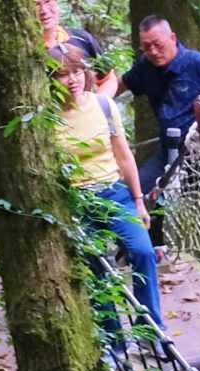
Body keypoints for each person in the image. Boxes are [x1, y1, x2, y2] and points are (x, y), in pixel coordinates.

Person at [51, 45, 166, 345]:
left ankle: (152, 331)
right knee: (97, 268)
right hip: (77, 201)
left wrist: (139, 200)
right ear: (52, 79)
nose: (73, 79)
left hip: (114, 193)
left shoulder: (103, 105)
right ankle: (115, 344)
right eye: (64, 75)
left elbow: (124, 156)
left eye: (77, 72)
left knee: (142, 251)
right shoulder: (48, 119)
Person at [118, 17, 200, 201]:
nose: (153, 51)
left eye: (158, 45)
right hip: (168, 151)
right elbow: (123, 83)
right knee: (133, 195)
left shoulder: (196, 63)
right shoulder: (147, 64)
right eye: (146, 47)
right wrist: (95, 97)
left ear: (173, 38)